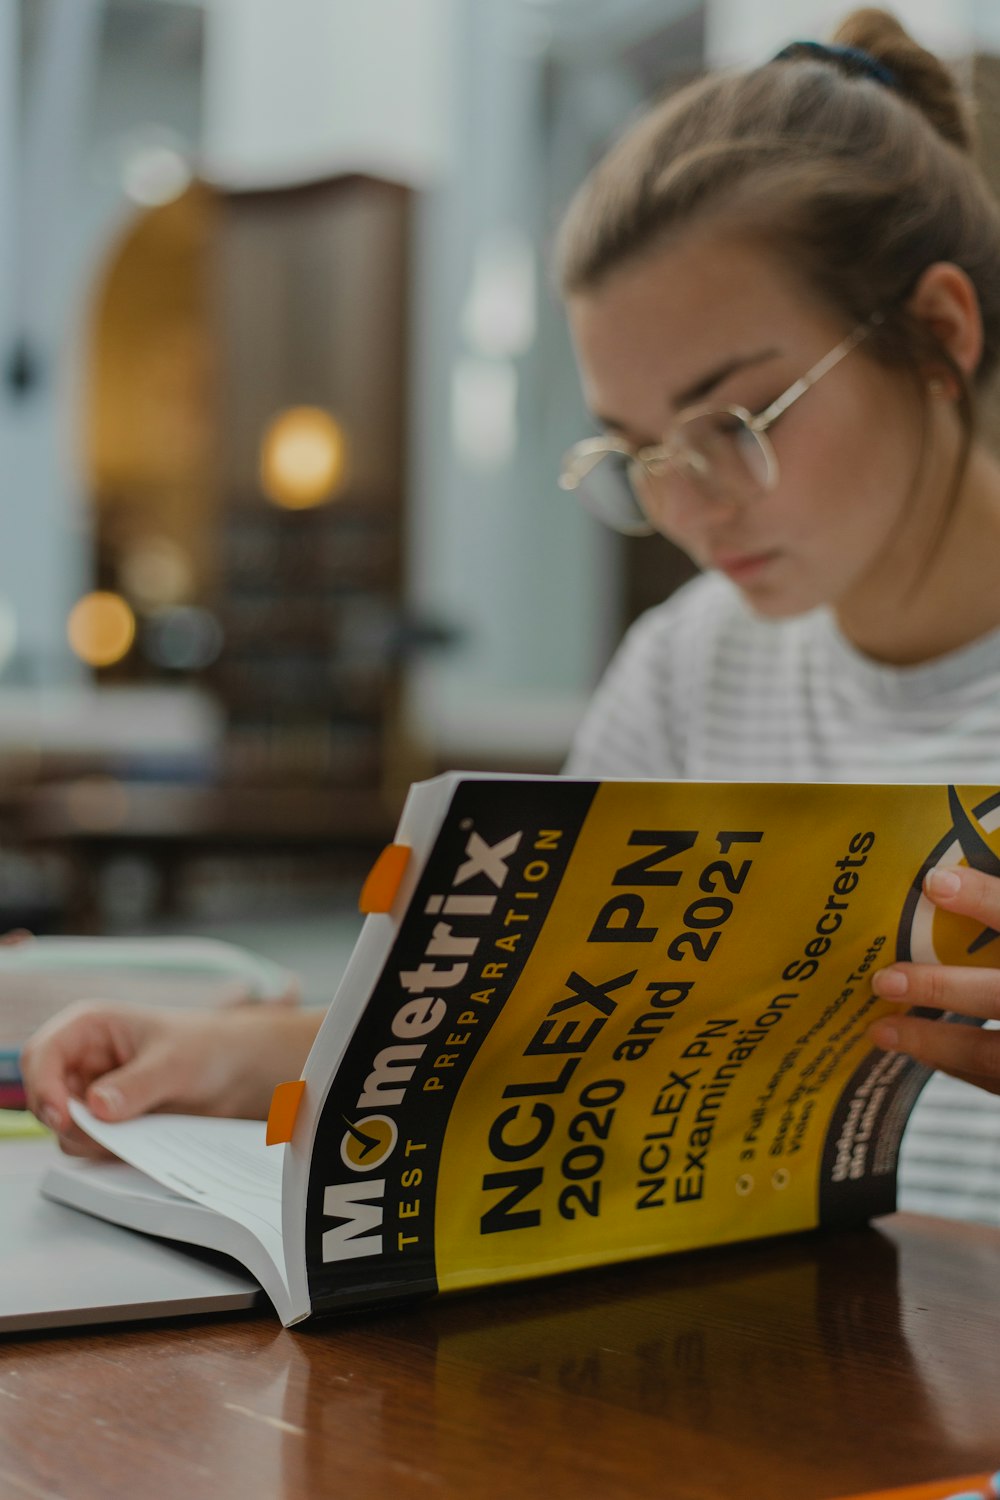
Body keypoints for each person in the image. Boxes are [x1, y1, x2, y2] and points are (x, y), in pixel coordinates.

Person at [20, 10, 1000, 1207]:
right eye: (636, 451)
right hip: (773, 1354)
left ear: (940, 334)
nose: (690, 507)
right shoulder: (690, 667)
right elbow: (519, 1025)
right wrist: (218, 1052)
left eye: (738, 423)